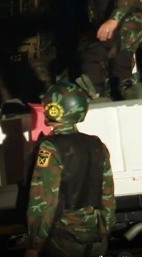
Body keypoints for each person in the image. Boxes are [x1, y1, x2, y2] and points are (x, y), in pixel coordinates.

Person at [24, 81, 115, 257]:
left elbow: (43, 200)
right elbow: (108, 195)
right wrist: (104, 230)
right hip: (97, 241)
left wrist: (34, 245)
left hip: (64, 240)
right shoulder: (97, 145)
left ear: (54, 110)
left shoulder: (50, 148)